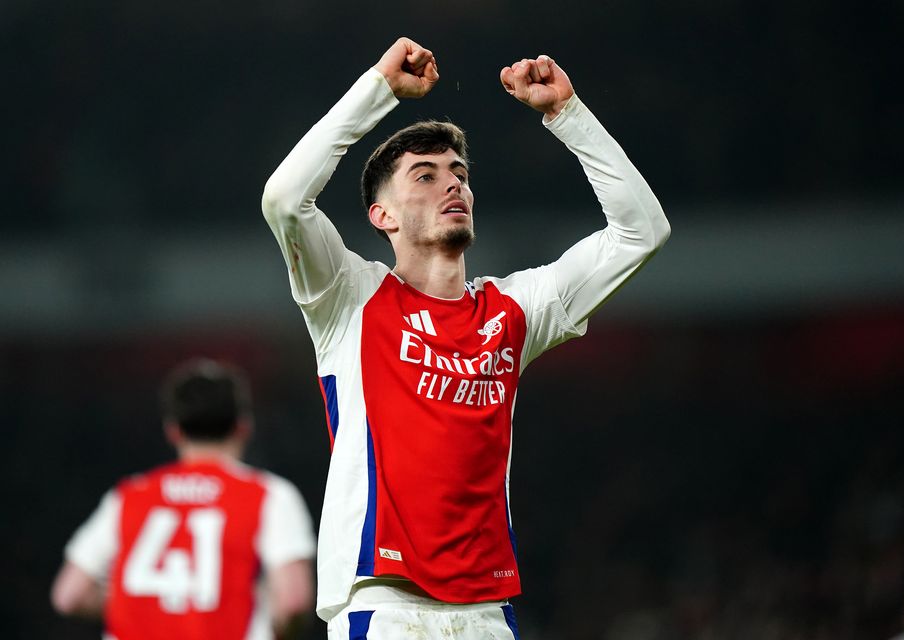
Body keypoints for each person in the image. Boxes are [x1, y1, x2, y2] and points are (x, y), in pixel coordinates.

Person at [261, 36, 670, 639]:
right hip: (384, 608)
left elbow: (642, 232)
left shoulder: (514, 310)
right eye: (424, 177)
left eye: (458, 174)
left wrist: (568, 115)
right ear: (383, 216)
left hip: (488, 614)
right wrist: (378, 89)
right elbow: (285, 199)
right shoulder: (350, 298)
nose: (452, 185)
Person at [51, 358, 317, 640]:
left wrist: (144, 606)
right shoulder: (269, 495)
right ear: (243, 426)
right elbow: (292, 600)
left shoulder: (129, 496)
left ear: (173, 431)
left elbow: (69, 595)